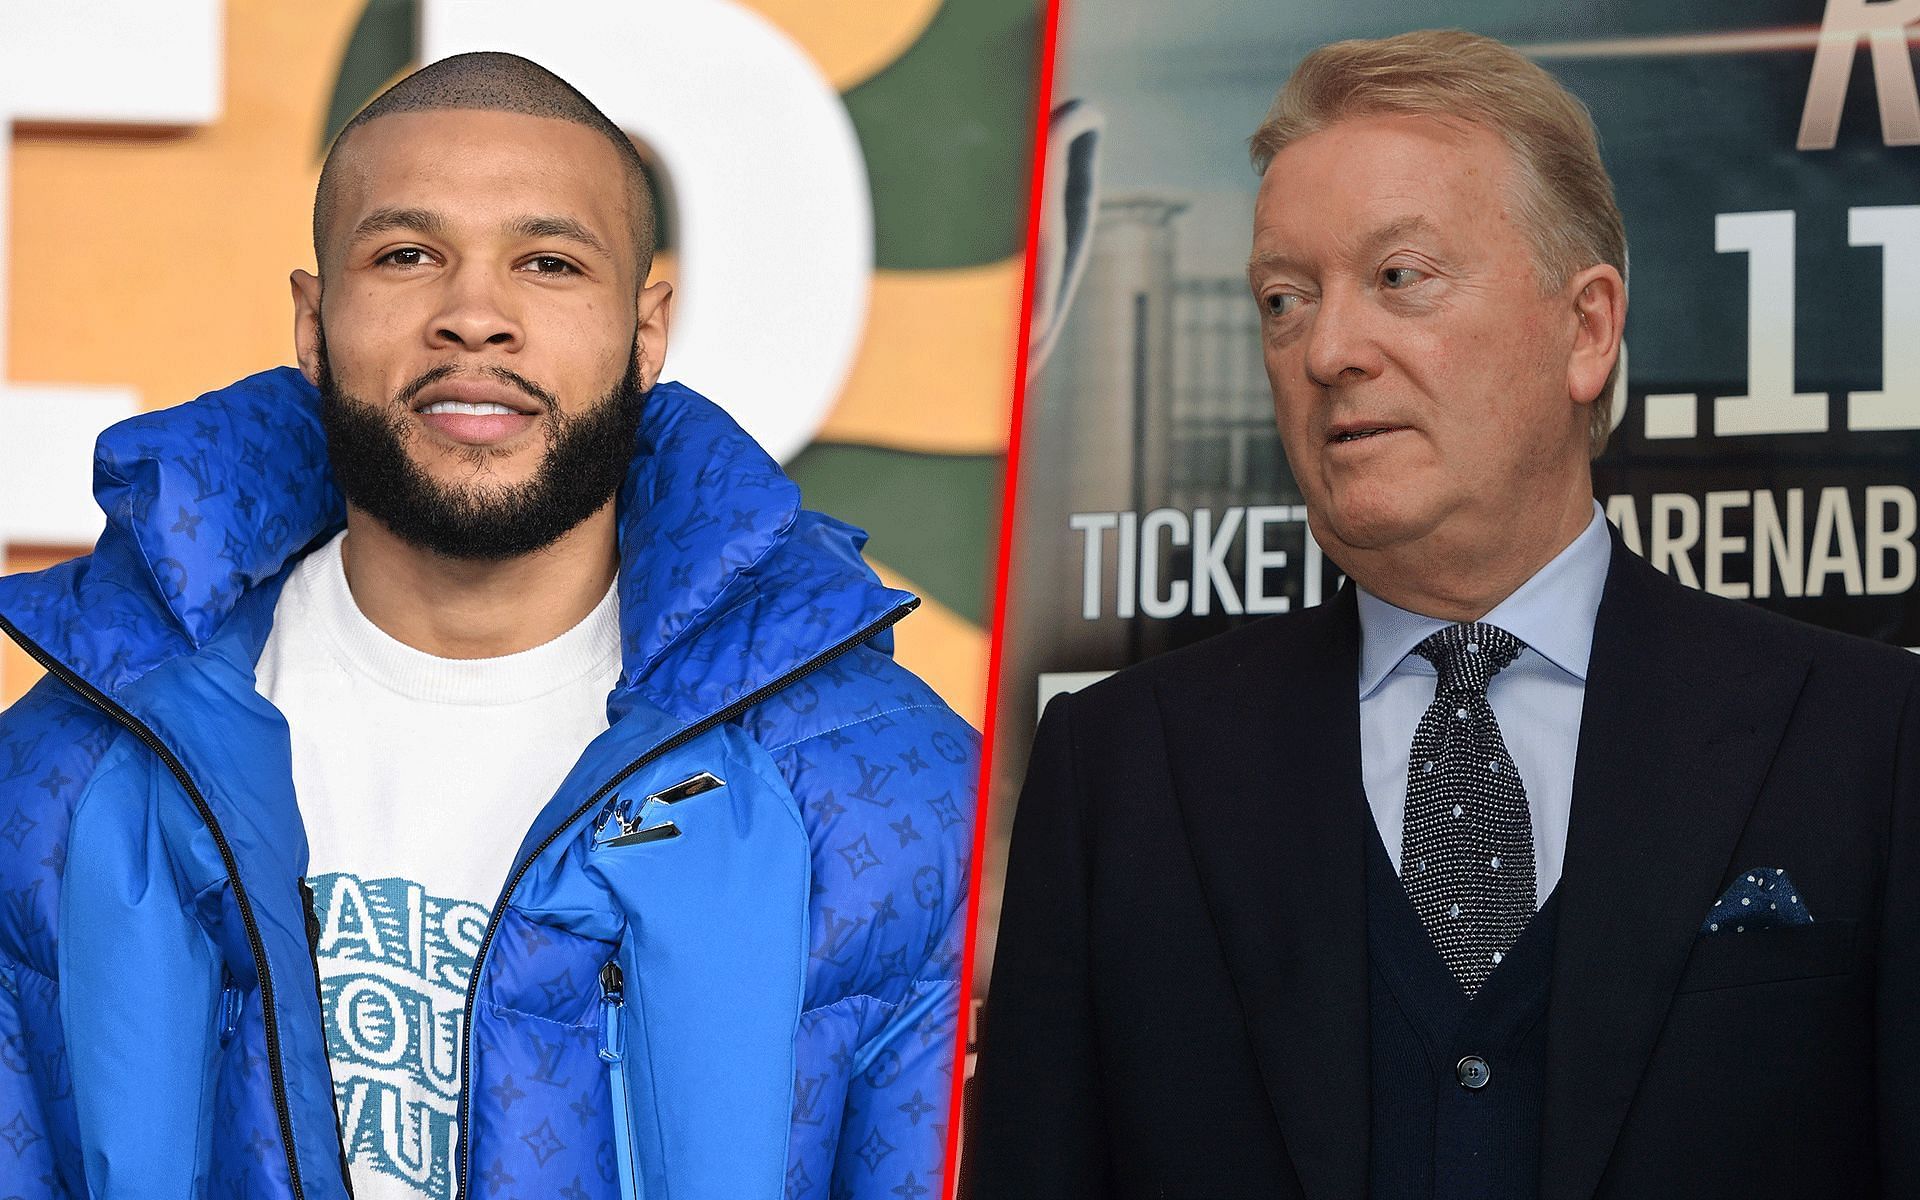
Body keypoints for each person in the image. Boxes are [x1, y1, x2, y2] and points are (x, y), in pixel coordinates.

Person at [0, 52, 975, 1200]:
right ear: (313, 321)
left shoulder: (890, 790)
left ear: (646, 329)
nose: (475, 316)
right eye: (407, 255)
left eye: (550, 263)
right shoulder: (67, 772)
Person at [970, 29, 1919, 1199]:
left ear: (1585, 330)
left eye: (1399, 278)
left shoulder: (1872, 741)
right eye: (1283, 298)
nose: (1326, 349)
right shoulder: (1115, 773)